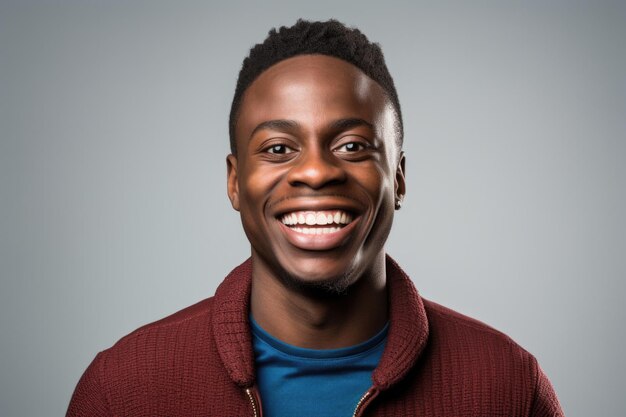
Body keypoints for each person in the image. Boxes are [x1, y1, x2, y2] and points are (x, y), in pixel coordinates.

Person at [66, 19, 564, 417]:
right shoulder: (124, 390)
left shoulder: (507, 388)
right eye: (279, 148)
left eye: (352, 145)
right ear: (235, 183)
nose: (316, 171)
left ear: (400, 179)